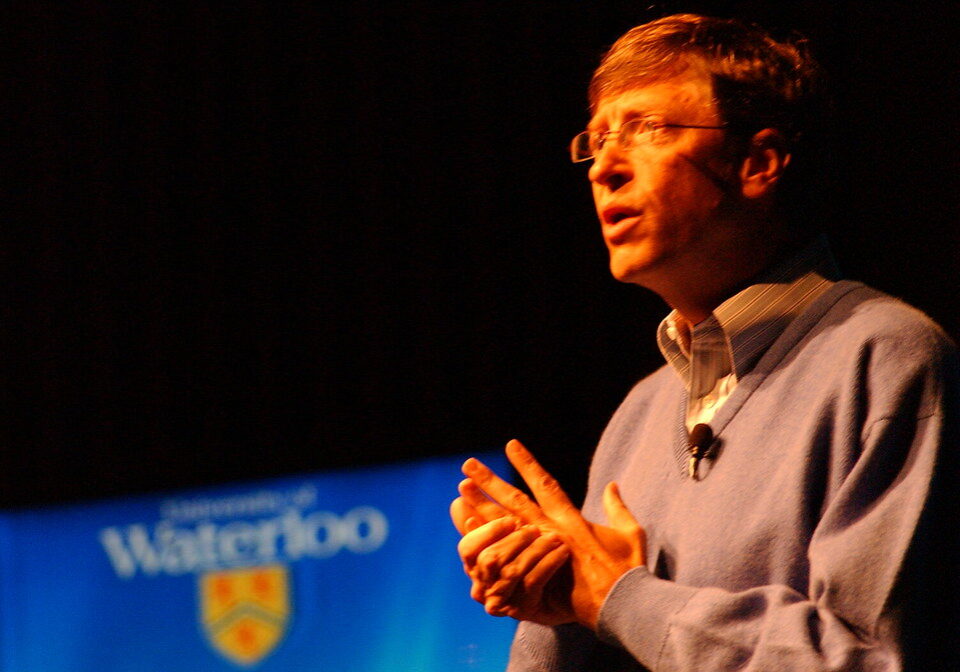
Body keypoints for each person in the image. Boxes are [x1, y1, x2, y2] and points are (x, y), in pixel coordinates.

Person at [450, 13, 959, 672]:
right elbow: (609, 620)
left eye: (647, 128)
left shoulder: (887, 361)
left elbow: (876, 663)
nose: (605, 165)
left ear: (758, 163)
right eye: (598, 138)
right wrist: (558, 604)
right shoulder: (638, 414)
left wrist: (619, 596)